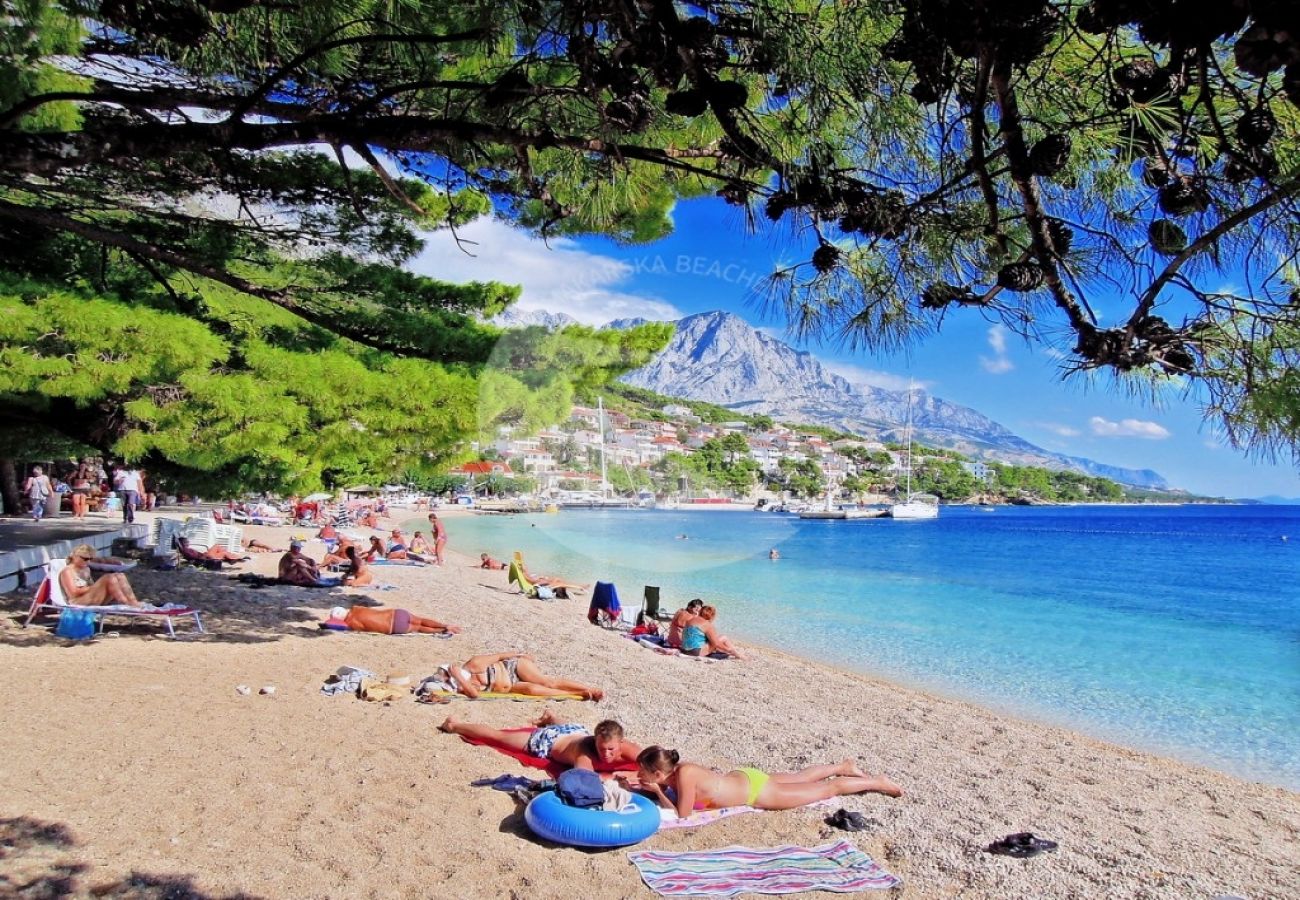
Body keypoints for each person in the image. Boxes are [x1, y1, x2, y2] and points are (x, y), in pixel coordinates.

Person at [630, 746, 902, 817]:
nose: (639, 774)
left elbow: (683, 814)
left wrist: (657, 792)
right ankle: (844, 765)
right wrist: (654, 788)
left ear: (657, 774)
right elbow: (671, 790)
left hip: (757, 791)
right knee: (800, 777)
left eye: (643, 771)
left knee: (828, 789)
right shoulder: (676, 771)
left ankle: (877, 782)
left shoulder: (684, 776)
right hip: (745, 777)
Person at [439, 710, 639, 771]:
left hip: (576, 730)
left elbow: (658, 759)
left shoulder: (628, 747)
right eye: (602, 749)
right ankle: (454, 724)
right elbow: (587, 782)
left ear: (621, 742)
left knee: (571, 728)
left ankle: (552, 718)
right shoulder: (585, 755)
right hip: (548, 740)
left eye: (611, 749)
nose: (606, 754)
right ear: (595, 741)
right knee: (498, 737)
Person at [422, 651, 604, 700]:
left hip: (513, 668)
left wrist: (520, 655)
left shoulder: (474, 664)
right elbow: (475, 695)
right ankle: (576, 694)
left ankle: (589, 689)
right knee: (532, 690)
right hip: (510, 686)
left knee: (548, 682)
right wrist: (459, 680)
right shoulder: (463, 686)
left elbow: (500, 656)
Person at [58, 544, 141, 606]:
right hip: (78, 602)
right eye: (85, 559)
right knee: (108, 578)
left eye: (90, 559)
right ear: (74, 556)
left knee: (119, 575)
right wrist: (96, 587)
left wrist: (96, 587)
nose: (88, 562)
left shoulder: (86, 569)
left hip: (91, 598)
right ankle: (126, 603)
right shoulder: (68, 571)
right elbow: (74, 593)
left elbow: (93, 589)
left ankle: (133, 602)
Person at [333, 604, 458, 635]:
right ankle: (445, 625)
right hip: (396, 614)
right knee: (420, 620)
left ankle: (441, 631)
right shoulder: (356, 608)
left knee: (418, 628)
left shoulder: (351, 624)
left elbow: (363, 629)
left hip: (393, 627)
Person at [681, 604, 745, 659]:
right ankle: (738, 655)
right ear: (712, 616)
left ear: (700, 612)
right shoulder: (706, 624)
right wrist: (729, 650)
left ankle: (735, 653)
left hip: (684, 649)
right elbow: (716, 643)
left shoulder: (690, 620)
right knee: (723, 637)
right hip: (695, 652)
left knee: (713, 641)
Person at [175, 536, 250, 566]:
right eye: (186, 542)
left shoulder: (186, 549)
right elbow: (195, 558)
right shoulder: (186, 550)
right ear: (183, 543)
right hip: (206, 557)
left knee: (217, 546)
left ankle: (231, 558)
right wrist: (205, 556)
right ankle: (236, 558)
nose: (188, 543)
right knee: (223, 553)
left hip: (205, 554)